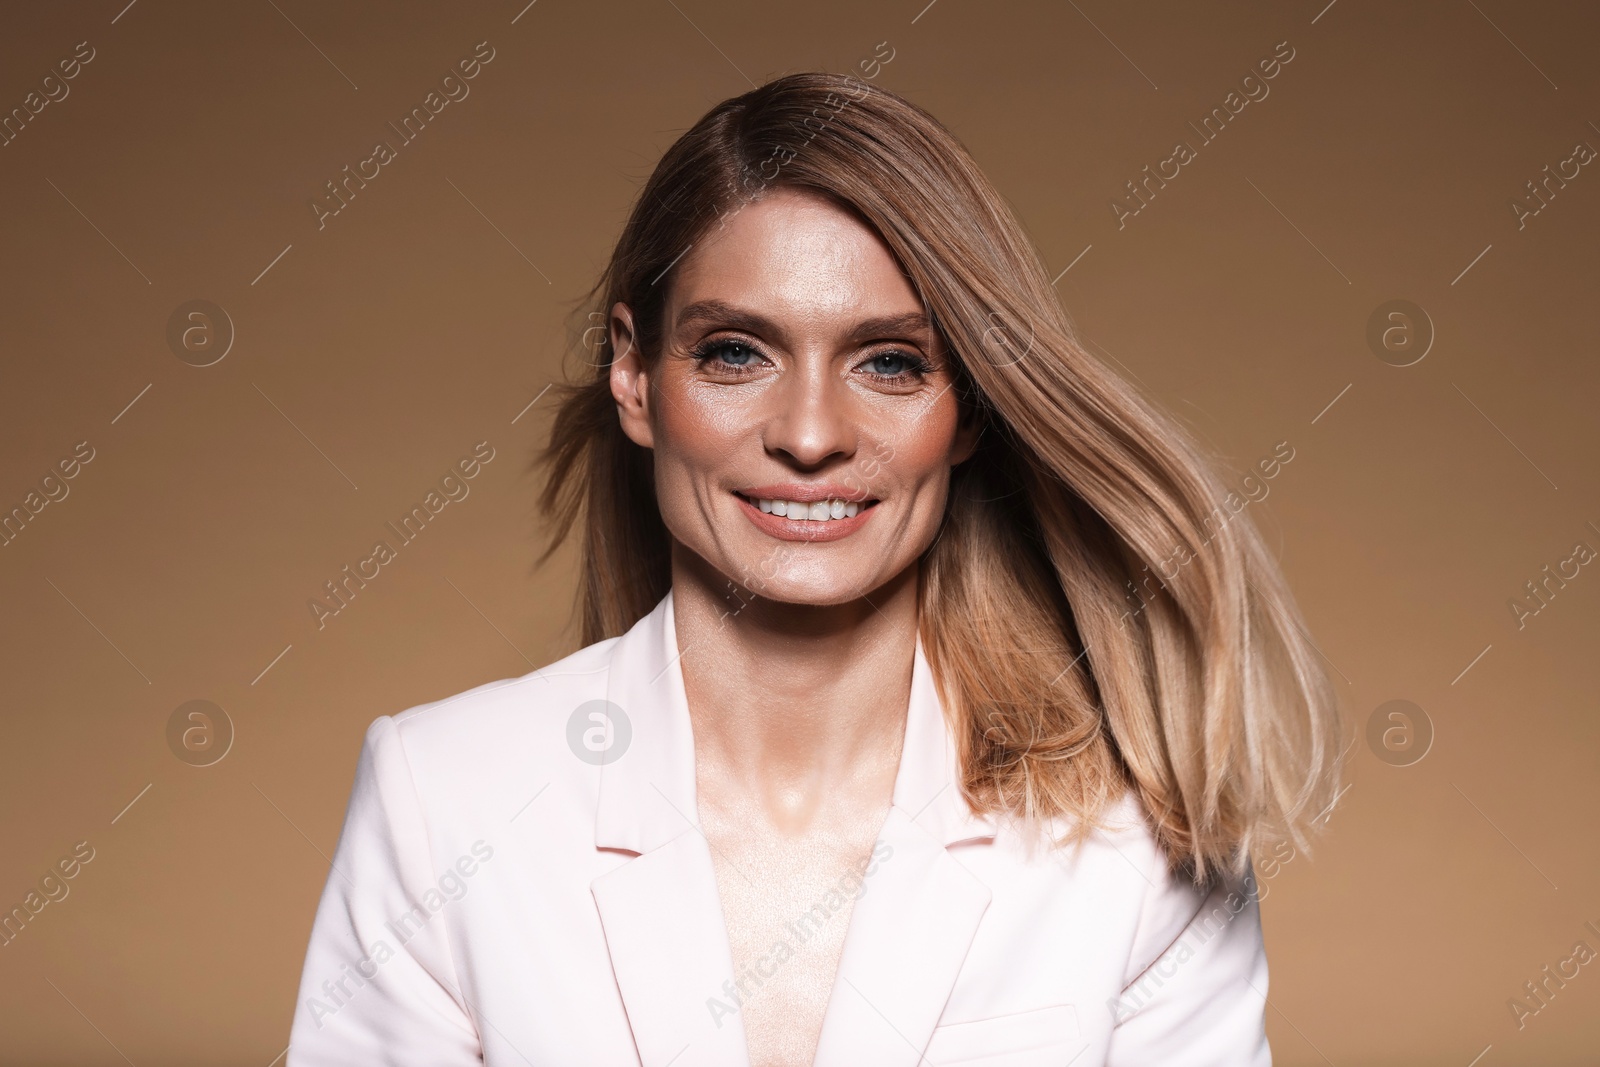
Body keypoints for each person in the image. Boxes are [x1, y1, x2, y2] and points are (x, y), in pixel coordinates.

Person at [287, 70, 1342, 1066]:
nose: (807, 434)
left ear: (966, 406)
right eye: (736, 351)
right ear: (634, 373)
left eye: (888, 362)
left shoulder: (1139, 841)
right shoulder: (444, 801)